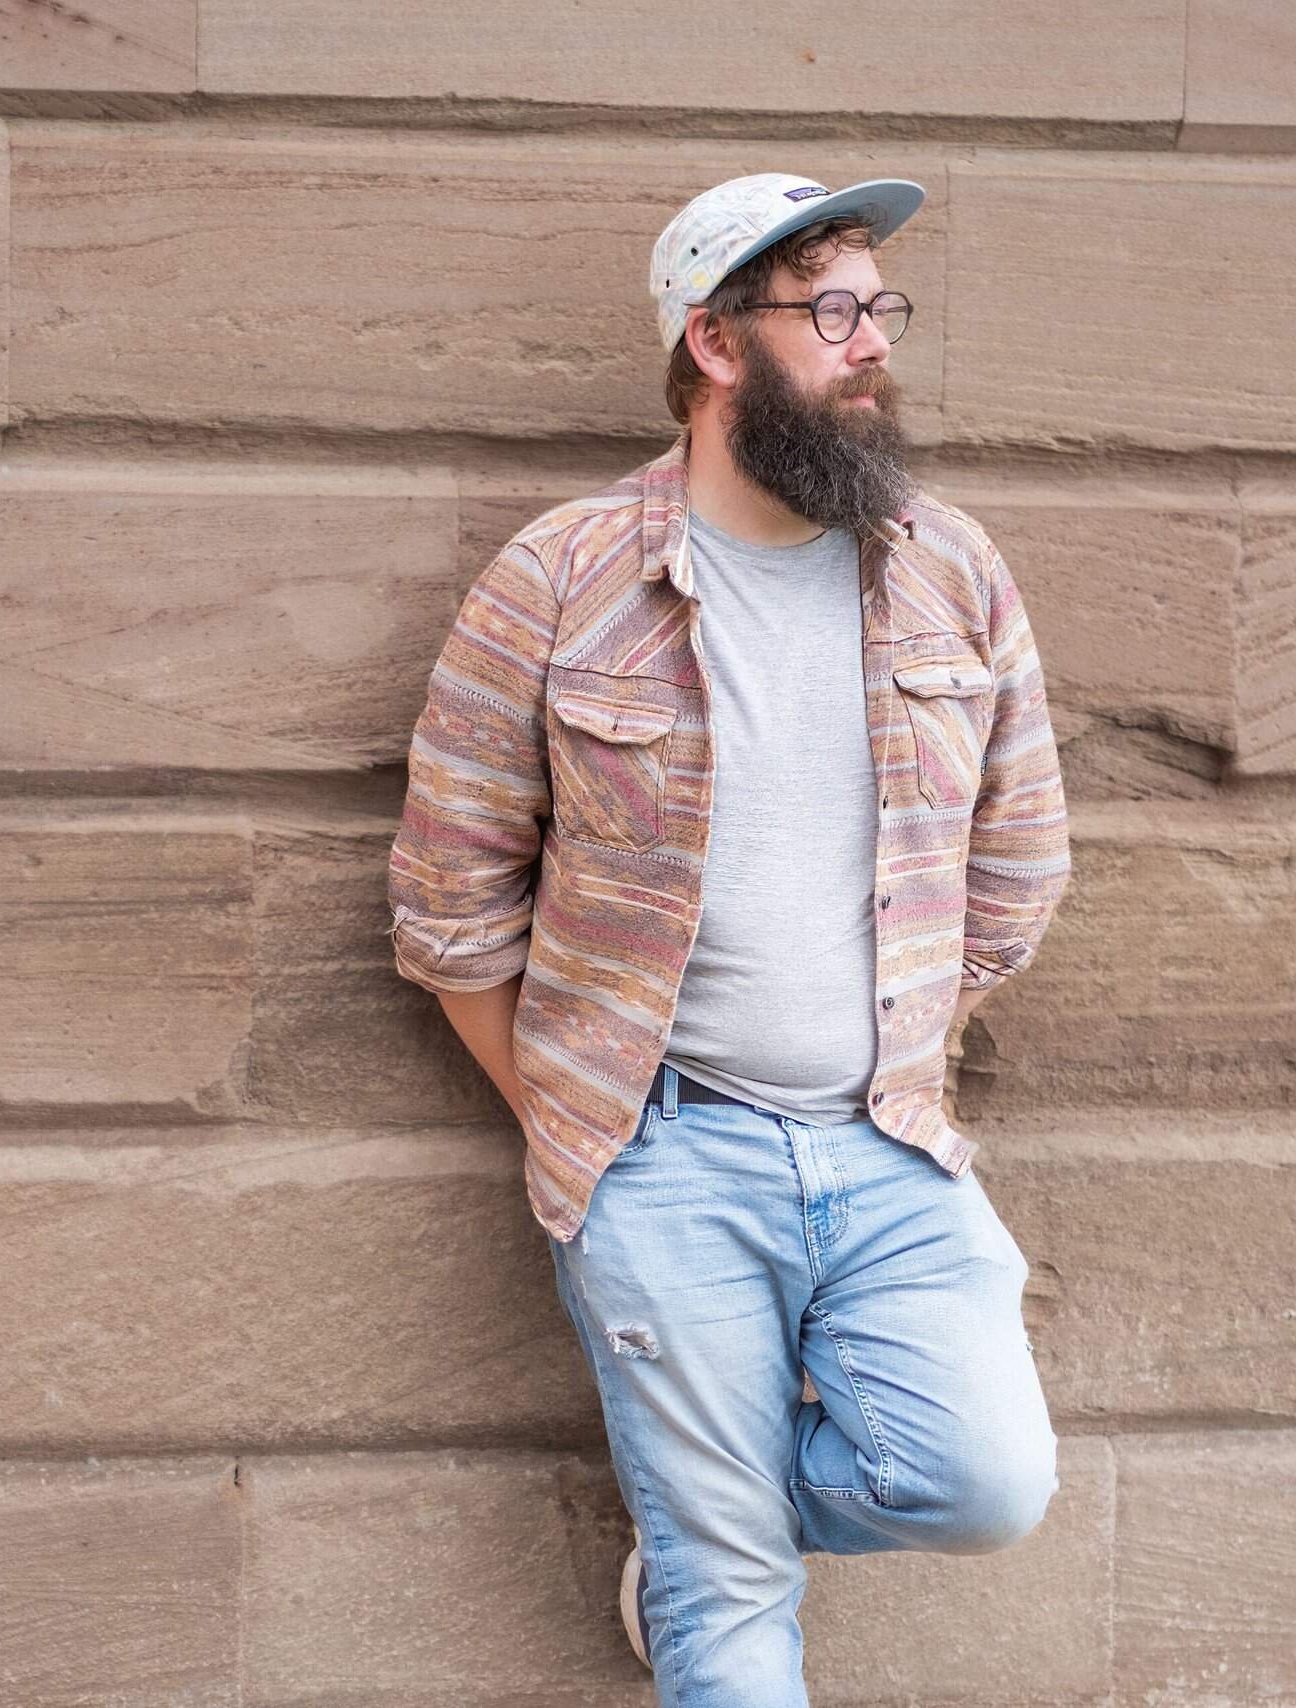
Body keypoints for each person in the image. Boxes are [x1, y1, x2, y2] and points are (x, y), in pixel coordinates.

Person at [387, 171, 1073, 1708]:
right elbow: (448, 904)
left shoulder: (950, 570)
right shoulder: (559, 579)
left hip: (890, 1148)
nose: (871, 341)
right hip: (664, 1156)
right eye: (829, 309)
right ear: (712, 340)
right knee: (732, 1604)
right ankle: (708, 1561)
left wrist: (907, 1043)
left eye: (880, 307)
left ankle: (710, 1534)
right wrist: (589, 1126)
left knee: (985, 1482)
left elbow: (1018, 863)